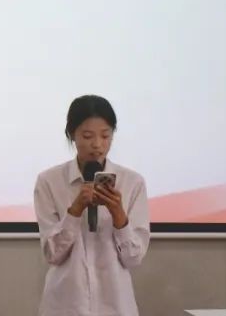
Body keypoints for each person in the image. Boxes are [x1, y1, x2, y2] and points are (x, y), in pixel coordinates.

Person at [34, 95, 150, 316]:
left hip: (115, 305)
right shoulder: (49, 181)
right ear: (71, 135)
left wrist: (119, 215)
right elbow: (52, 254)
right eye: (87, 136)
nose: (97, 145)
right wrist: (75, 210)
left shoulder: (132, 182)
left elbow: (133, 258)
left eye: (105, 135)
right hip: (66, 306)